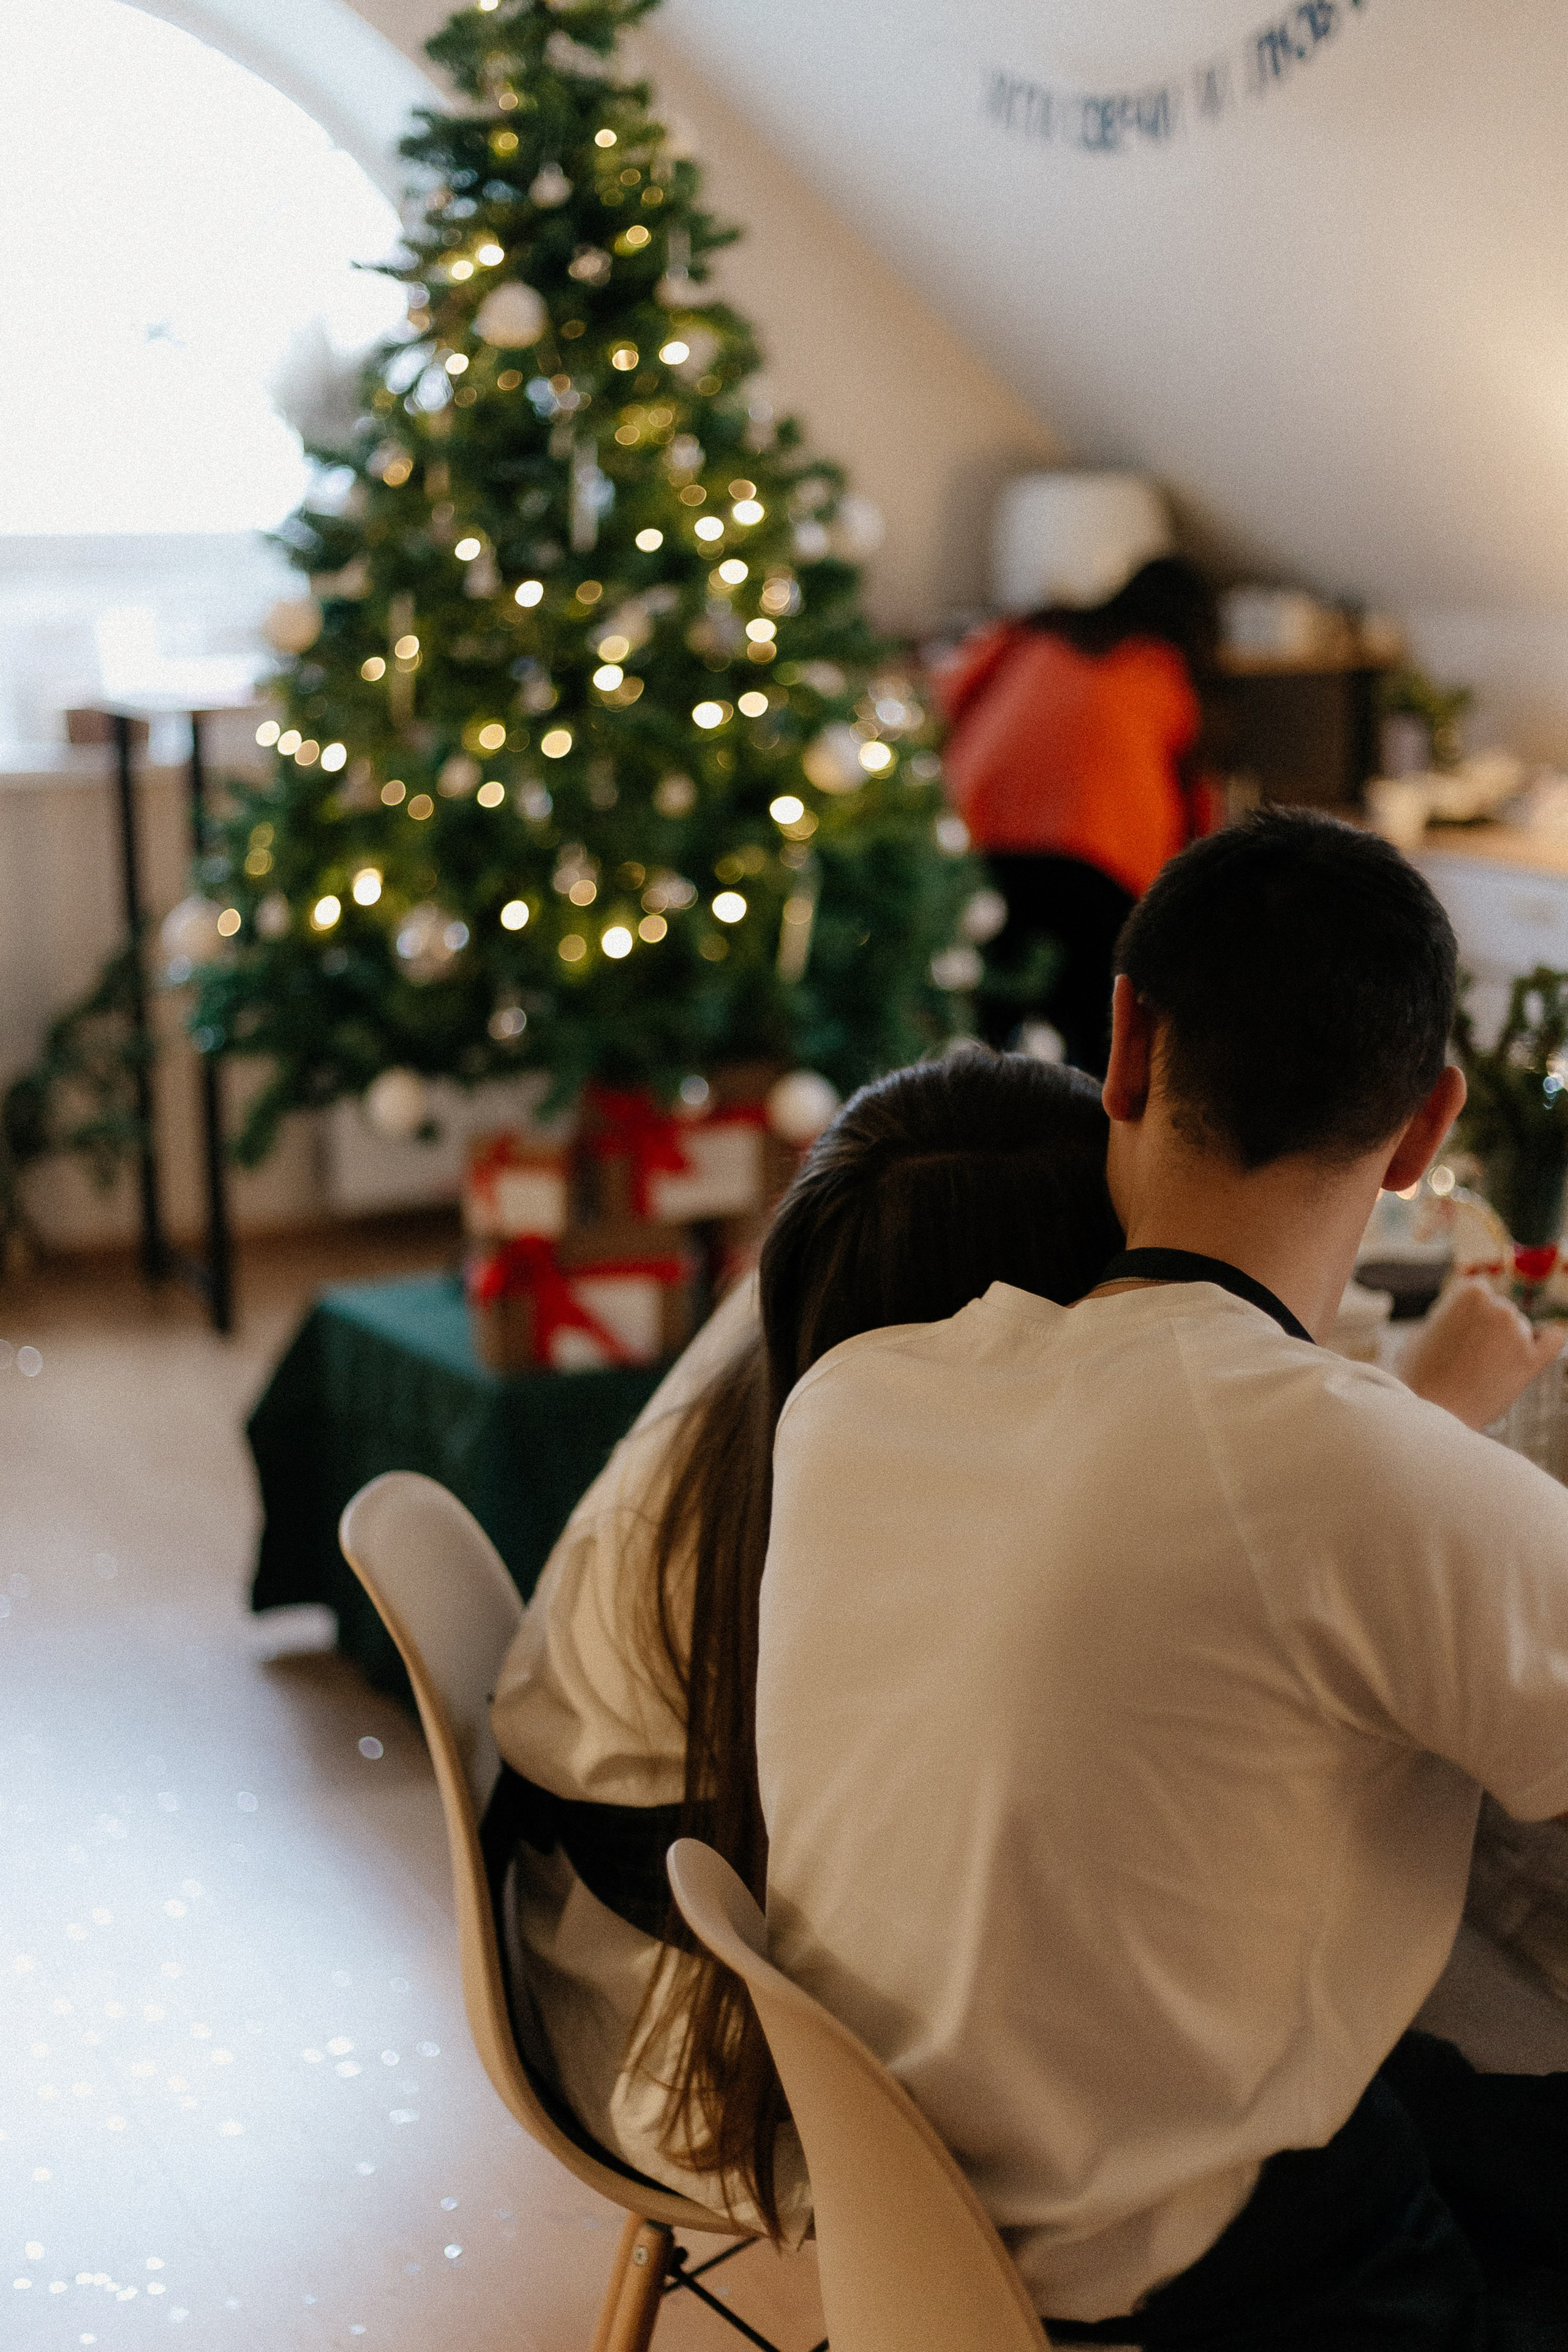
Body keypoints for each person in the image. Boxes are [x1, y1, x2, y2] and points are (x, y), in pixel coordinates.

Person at [487, 1028, 1551, 2248]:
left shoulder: (791, 1388)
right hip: (758, 2077)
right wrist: (1419, 1428)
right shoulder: (865, 1506)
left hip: (645, 1968)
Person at [756, 809, 1568, 2346]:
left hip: (916, 2231)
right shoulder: (1359, 1477)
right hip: (1212, 2290)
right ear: (1421, 1131)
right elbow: (1296, 1493)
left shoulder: (848, 1399)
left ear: (1121, 1042)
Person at [937, 556, 1218, 1074]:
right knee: (1096, 1026)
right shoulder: (1163, 669)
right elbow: (1191, 801)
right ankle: (1089, 1136)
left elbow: (949, 695)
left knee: (985, 1006)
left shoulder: (1032, 633)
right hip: (1100, 859)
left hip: (982, 836)